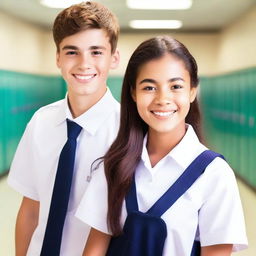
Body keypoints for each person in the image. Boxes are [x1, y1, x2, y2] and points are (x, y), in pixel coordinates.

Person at [76, 36, 248, 256]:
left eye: (176, 86)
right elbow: (94, 249)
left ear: (193, 91)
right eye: (149, 87)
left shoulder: (214, 174)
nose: (162, 99)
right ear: (133, 93)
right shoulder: (114, 165)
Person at [8, 1, 120, 255]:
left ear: (114, 58)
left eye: (96, 52)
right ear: (58, 58)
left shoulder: (128, 131)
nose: (84, 63)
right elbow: (31, 208)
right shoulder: (41, 122)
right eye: (72, 52)